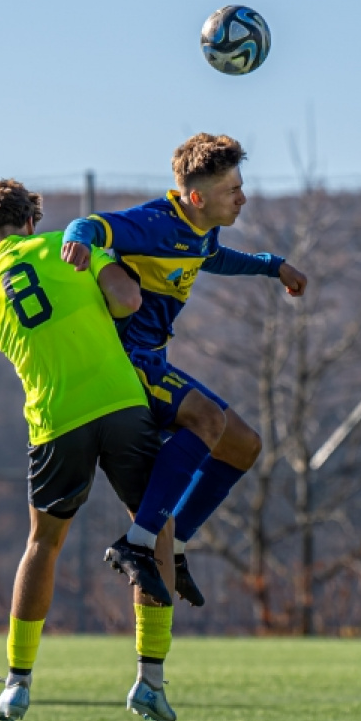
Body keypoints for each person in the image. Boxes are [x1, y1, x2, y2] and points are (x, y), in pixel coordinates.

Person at [0, 177, 187, 721]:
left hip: (54, 418)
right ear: (33, 221)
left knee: (43, 543)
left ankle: (16, 684)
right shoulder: (75, 243)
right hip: (119, 401)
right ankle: (150, 681)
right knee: (153, 528)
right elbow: (129, 300)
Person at [61, 134, 308, 607]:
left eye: (240, 186)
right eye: (232, 191)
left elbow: (211, 257)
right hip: (127, 362)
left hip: (154, 360)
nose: (243, 197)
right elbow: (89, 224)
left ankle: (173, 550)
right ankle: (136, 544)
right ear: (197, 198)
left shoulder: (200, 229)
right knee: (209, 422)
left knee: (243, 444)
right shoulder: (155, 223)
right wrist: (77, 241)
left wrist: (273, 267)